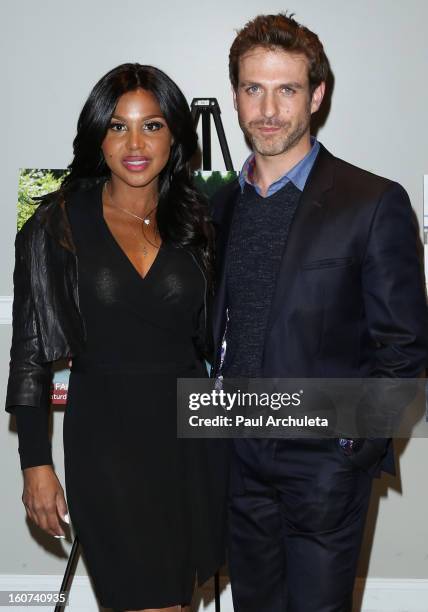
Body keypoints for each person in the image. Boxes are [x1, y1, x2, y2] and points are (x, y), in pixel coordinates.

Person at [211, 13, 428, 612]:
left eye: (287, 89)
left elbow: (404, 345)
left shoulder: (373, 202)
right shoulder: (221, 206)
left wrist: (351, 448)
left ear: (317, 95)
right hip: (236, 454)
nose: (269, 109)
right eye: (254, 88)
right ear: (236, 96)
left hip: (323, 463)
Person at [6, 63, 229, 612]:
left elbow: (218, 334)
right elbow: (30, 353)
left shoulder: (197, 218)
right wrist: (36, 464)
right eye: (117, 125)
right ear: (97, 136)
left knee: (176, 602)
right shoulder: (55, 222)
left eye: (151, 126)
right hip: (107, 442)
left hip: (189, 441)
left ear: (174, 133)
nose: (135, 142)